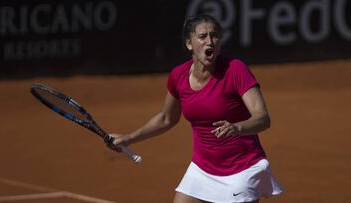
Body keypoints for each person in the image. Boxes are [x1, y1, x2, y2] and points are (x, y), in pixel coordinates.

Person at [109, 14, 283, 203]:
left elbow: (263, 118)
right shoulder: (178, 76)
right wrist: (129, 138)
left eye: (214, 35)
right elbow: (167, 118)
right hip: (203, 170)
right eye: (202, 36)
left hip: (243, 170)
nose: (210, 41)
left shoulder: (235, 69)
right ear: (189, 43)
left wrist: (237, 128)